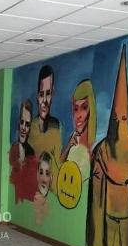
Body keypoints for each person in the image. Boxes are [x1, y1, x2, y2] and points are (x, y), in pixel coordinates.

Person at [87, 46, 128, 246]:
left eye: (122, 119)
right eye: (115, 120)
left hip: (127, 219)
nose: (119, 124)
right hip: (105, 216)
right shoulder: (101, 150)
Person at [29, 65, 62, 193]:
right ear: (37, 97)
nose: (45, 101)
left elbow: (58, 161)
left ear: (52, 94)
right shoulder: (32, 127)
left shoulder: (56, 126)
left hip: (52, 191)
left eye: (48, 94)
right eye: (41, 94)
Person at [60, 79, 96, 179]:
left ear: (91, 110)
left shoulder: (94, 147)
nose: (78, 116)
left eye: (84, 107)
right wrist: (68, 147)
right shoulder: (73, 139)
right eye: (76, 109)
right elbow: (59, 168)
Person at [9, 100, 38, 202]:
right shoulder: (13, 149)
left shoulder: (31, 153)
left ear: (30, 128)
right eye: (22, 122)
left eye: (27, 124)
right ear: (18, 124)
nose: (24, 128)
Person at [33, 152, 53, 225]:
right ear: (37, 175)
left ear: (51, 177)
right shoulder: (35, 198)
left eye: (47, 173)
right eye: (41, 172)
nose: (43, 178)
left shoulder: (52, 200)